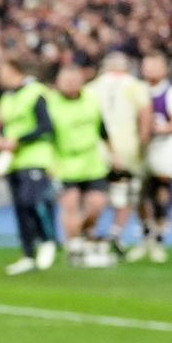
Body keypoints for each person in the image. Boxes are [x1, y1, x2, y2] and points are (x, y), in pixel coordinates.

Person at [0, 54, 59, 275]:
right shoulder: (7, 98)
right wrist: (0, 141)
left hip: (36, 158)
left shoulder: (36, 92)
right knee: (20, 208)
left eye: (2, 71)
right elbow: (5, 127)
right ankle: (28, 254)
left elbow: (45, 125)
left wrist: (19, 140)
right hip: (13, 161)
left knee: (32, 201)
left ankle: (48, 240)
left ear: (14, 70)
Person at [47, 58, 113, 267]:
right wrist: (49, 162)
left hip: (92, 162)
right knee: (70, 205)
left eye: (74, 79)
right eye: (66, 80)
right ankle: (74, 246)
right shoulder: (50, 103)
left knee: (97, 205)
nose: (70, 84)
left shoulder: (91, 99)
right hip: (64, 162)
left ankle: (85, 234)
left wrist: (114, 153)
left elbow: (102, 128)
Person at [90, 50, 152, 257]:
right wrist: (143, 143)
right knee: (125, 193)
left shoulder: (93, 86)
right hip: (127, 147)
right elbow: (145, 116)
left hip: (96, 148)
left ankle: (90, 234)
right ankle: (115, 232)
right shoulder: (135, 86)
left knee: (96, 193)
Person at [134, 52, 172, 264]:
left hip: (163, 146)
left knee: (161, 190)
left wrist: (159, 129)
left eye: (156, 65)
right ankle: (146, 234)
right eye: (148, 65)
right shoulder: (136, 90)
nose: (151, 69)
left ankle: (159, 238)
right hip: (140, 148)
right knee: (138, 193)